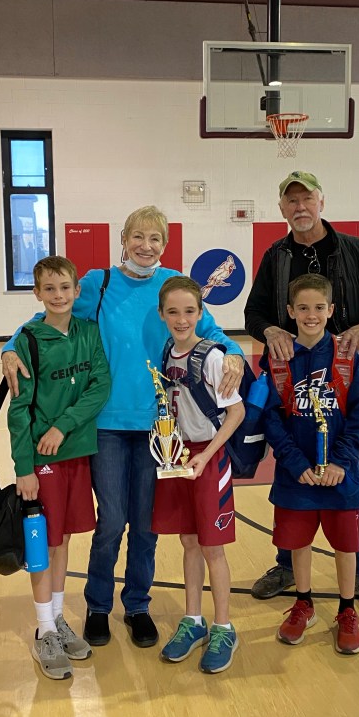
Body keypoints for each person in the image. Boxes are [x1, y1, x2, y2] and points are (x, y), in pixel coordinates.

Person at [2, 206, 244, 649]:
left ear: (165, 244)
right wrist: (8, 348)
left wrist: (234, 355)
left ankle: (136, 605)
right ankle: (98, 605)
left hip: (160, 427)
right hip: (108, 426)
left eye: (155, 238)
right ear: (123, 239)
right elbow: (51, 315)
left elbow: (213, 332)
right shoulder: (99, 283)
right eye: (138, 236)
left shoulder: (172, 285)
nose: (145, 246)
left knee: (146, 525)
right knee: (112, 520)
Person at [245, 171, 359, 615]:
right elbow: (254, 314)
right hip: (291, 378)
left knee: (350, 479)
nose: (300, 207)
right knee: (293, 476)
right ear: (282, 208)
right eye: (291, 201)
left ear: (321, 201)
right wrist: (270, 329)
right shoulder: (275, 256)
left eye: (306, 198)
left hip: (342, 379)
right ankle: (287, 565)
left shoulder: (356, 250)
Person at [8, 256, 111, 680]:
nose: (58, 295)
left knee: (63, 539)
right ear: (37, 294)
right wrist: (24, 467)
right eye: (49, 289)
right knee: (42, 545)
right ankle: (44, 629)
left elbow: (100, 385)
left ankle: (57, 618)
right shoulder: (27, 341)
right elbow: (18, 410)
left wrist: (63, 426)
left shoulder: (89, 332)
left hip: (76, 453)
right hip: (42, 461)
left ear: (77, 290)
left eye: (65, 287)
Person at [261, 274, 359, 655]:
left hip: (341, 477)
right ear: (290, 311)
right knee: (299, 543)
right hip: (297, 475)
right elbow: (271, 418)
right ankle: (304, 602)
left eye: (319, 307)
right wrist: (294, 462)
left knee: (345, 545)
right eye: (303, 308)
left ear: (331, 310)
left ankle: (347, 609)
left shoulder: (346, 356)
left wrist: (341, 461)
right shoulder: (278, 358)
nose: (311, 315)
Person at [152, 277, 244, 674]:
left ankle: (223, 627)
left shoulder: (211, 357)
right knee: (188, 540)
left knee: (212, 547)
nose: (181, 319)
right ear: (162, 314)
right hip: (179, 454)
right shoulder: (166, 352)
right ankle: (193, 620)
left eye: (189, 311)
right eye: (173, 312)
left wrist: (207, 455)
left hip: (209, 456)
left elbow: (236, 412)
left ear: (201, 313)